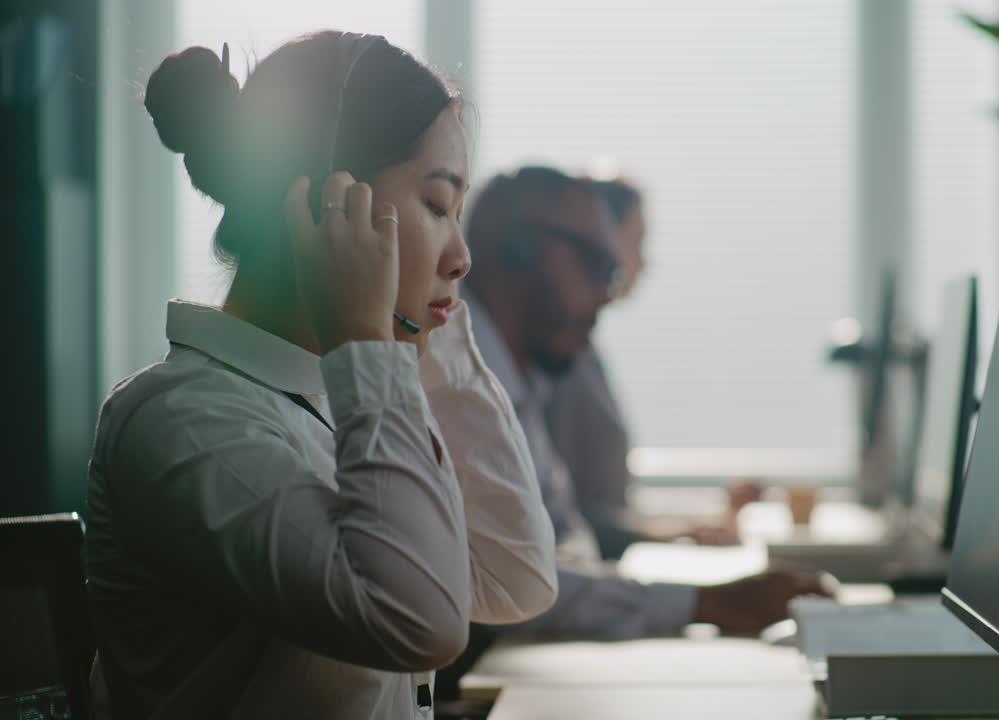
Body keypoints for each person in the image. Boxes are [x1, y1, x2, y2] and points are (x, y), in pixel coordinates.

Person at [84, 32, 557, 720]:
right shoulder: (184, 423)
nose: (462, 255)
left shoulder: (337, 400)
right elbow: (416, 620)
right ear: (329, 205)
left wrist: (427, 324)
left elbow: (515, 575)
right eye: (436, 206)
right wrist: (373, 343)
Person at [458, 165, 833, 641]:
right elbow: (521, 590)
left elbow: (566, 551)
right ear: (518, 249)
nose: (607, 293)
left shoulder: (523, 383)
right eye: (594, 263)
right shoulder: (457, 386)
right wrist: (707, 601)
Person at [544, 176, 738, 560]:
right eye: (637, 243)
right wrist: (672, 533)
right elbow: (562, 514)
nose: (644, 262)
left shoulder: (583, 350)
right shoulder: (557, 358)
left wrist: (690, 521)